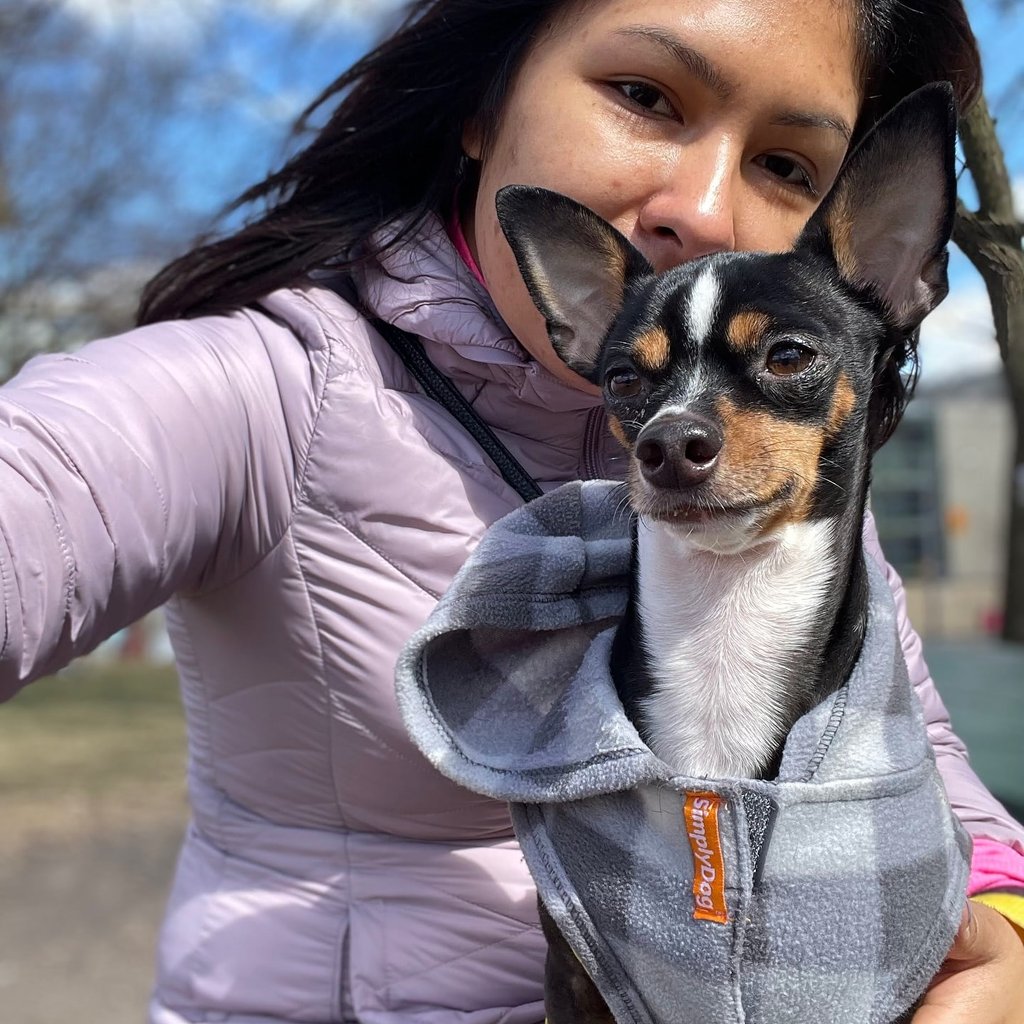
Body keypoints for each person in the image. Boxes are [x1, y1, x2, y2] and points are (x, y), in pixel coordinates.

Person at [1, 0, 1022, 1021]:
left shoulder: (783, 484)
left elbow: (906, 745)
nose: (705, 209)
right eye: (644, 96)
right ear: (483, 102)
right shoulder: (264, 392)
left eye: (787, 167)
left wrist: (1006, 930)